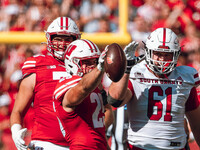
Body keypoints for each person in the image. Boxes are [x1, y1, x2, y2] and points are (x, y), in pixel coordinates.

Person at [108, 28, 200, 149]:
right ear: (148, 52)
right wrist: (126, 70)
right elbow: (115, 99)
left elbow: (197, 124)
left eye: (167, 55)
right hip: (141, 146)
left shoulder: (186, 77)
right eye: (158, 54)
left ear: (176, 54)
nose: (162, 59)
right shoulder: (136, 72)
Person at [10, 17, 81, 150]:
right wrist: (15, 130)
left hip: (79, 143)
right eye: (58, 39)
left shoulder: (85, 66)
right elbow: (18, 110)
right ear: (49, 39)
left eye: (67, 39)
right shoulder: (37, 65)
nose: (62, 44)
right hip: (45, 143)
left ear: (75, 40)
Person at [53, 39, 113, 150]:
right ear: (72, 63)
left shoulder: (96, 85)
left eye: (95, 62)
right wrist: (99, 69)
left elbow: (108, 111)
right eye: (87, 62)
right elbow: (82, 88)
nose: (93, 66)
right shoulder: (65, 83)